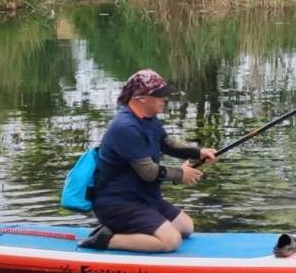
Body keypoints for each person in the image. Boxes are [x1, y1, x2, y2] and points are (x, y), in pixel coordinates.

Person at [78, 69, 217, 252]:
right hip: (118, 204)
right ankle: (104, 239)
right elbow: (148, 172)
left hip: (144, 199)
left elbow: (168, 144)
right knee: (171, 241)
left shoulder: (148, 119)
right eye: (159, 95)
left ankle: (131, 230)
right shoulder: (126, 127)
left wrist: (199, 153)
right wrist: (180, 174)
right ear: (141, 98)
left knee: (186, 227)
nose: (164, 99)